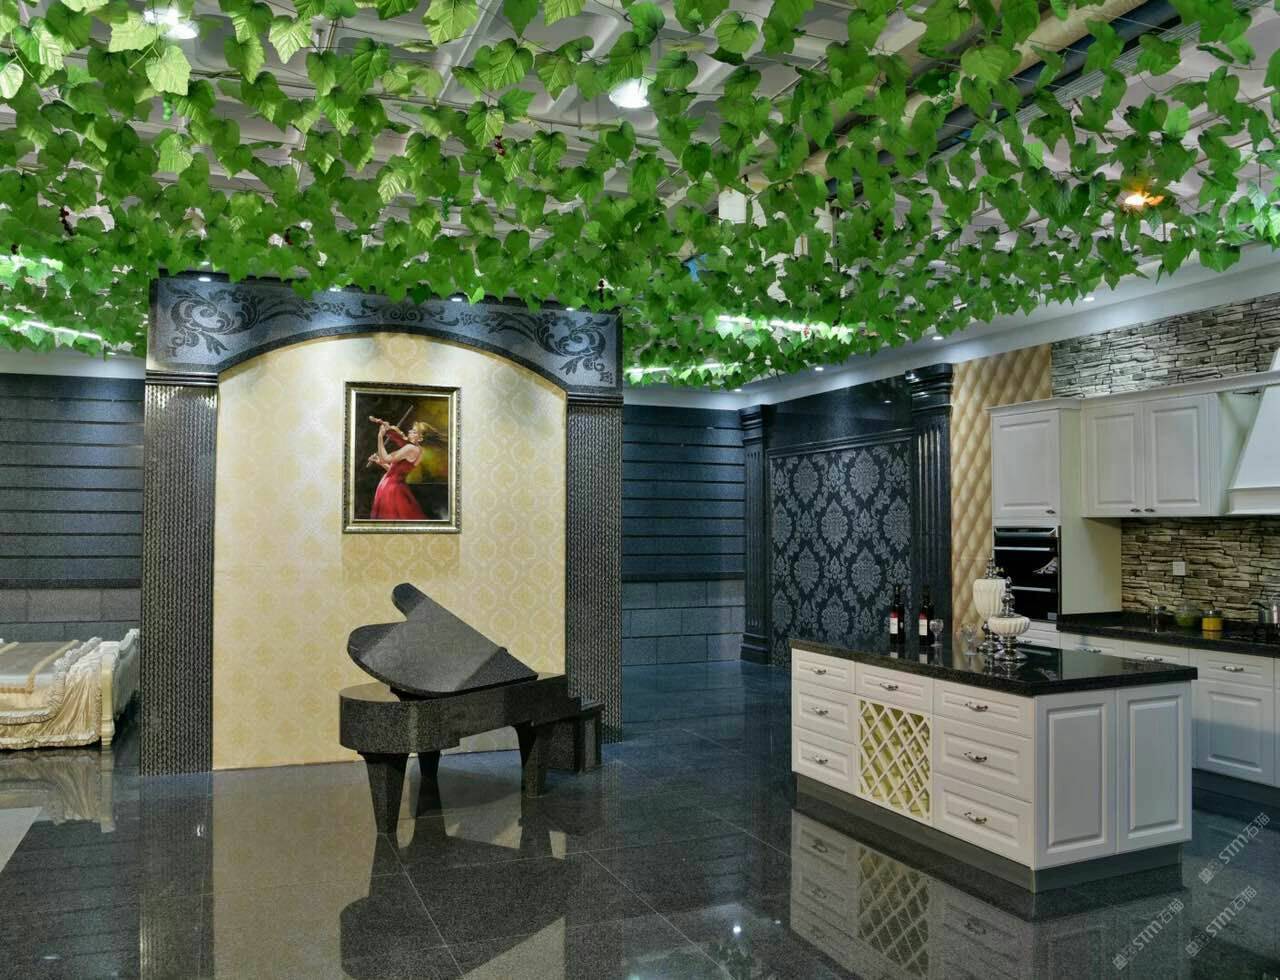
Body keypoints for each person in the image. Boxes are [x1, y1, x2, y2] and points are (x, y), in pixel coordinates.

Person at [365, 416, 434, 520]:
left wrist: (380, 436)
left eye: (414, 432)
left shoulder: (410, 448)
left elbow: (386, 458)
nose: (409, 431)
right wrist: (379, 462)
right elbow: (395, 472)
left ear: (420, 439)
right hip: (397, 487)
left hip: (389, 489)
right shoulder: (420, 451)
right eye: (411, 430)